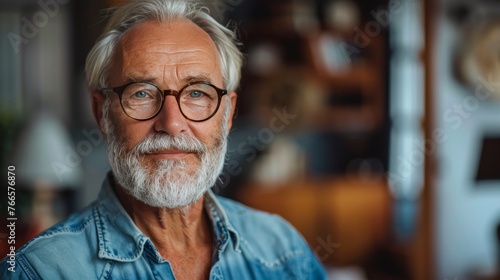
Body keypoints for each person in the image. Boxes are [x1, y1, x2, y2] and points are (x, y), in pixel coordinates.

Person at [1, 0, 327, 279]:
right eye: (142, 93)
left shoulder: (283, 250)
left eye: (197, 93)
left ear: (227, 115)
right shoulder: (41, 271)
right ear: (102, 114)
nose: (172, 123)